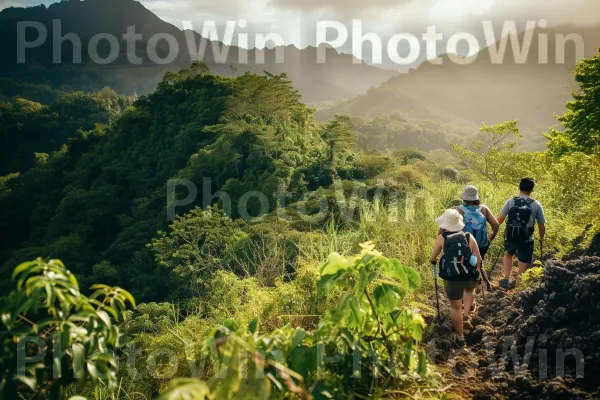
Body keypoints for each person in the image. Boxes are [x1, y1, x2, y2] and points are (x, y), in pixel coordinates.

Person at [431, 209, 482, 347]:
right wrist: (478, 274)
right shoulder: (468, 236)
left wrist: (435, 261)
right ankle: (466, 316)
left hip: (451, 278)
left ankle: (460, 337)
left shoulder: (442, 238)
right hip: (468, 276)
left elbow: (433, 257)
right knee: (469, 291)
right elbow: (478, 259)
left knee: (455, 308)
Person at [497, 177, 546, 289]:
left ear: (519, 187)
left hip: (511, 236)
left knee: (508, 254)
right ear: (532, 190)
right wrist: (541, 238)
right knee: (524, 262)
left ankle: (506, 278)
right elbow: (541, 225)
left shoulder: (511, 201)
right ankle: (518, 287)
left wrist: (493, 232)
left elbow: (499, 220)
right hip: (527, 238)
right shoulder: (536, 204)